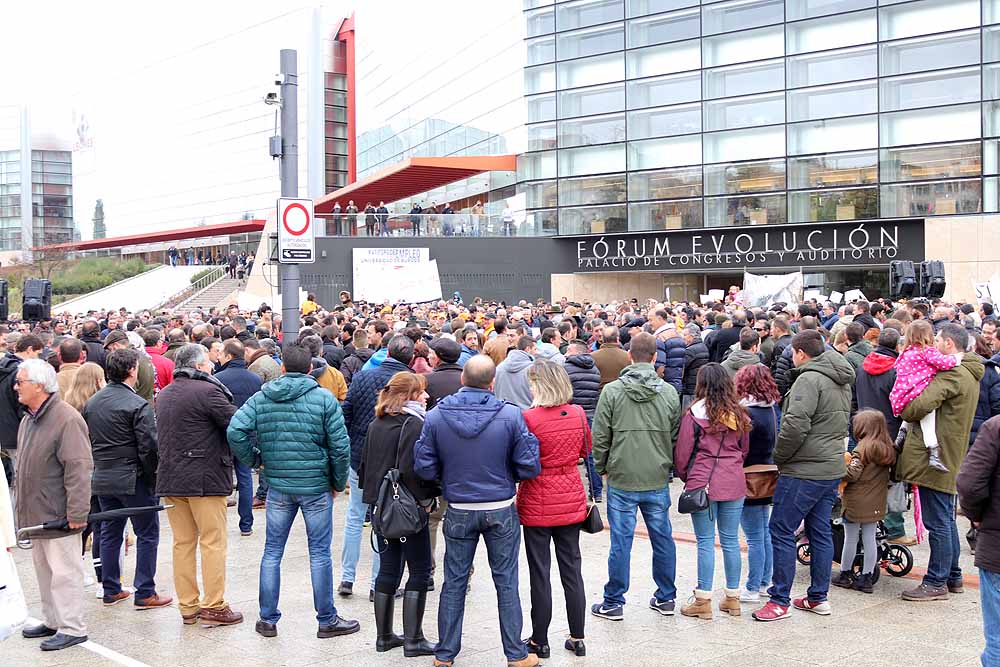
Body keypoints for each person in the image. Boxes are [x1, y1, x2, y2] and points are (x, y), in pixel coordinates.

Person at [414, 355, 541, 667]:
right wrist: (506, 473)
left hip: (458, 506)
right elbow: (529, 465)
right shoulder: (511, 415)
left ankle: (445, 655)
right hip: (500, 506)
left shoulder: (436, 416)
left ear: (462, 380)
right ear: (492, 382)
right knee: (506, 581)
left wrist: (448, 479)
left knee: (454, 581)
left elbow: (424, 467)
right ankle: (515, 654)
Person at [228, 343, 358, 640]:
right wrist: (338, 482)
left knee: (272, 551)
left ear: (282, 367)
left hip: (279, 485)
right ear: (311, 369)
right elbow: (340, 447)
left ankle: (267, 618)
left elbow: (235, 431)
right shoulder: (324, 400)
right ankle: (326, 619)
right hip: (315, 486)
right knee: (319, 553)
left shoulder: (263, 397)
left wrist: (257, 460)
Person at [753, 330, 854, 622]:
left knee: (782, 529)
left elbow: (795, 426)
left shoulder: (808, 379)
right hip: (831, 466)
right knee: (819, 530)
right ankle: (818, 597)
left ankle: (779, 600)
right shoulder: (840, 377)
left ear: (799, 353)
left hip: (804, 468)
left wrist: (780, 456)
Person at [591, 332, 680, 620]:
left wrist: (601, 466)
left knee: (621, 541)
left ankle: (614, 600)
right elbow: (676, 435)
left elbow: (600, 435)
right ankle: (666, 596)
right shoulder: (668, 392)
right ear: (655, 358)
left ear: (630, 356)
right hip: (656, 474)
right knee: (663, 537)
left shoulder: (613, 391)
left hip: (621, 475)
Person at [155, 344, 242, 627]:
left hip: (171, 477)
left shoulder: (166, 393)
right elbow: (236, 422)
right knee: (212, 542)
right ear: (199, 366)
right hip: (204, 477)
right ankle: (214, 604)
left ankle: (188, 606)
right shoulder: (207, 392)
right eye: (208, 362)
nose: (212, 366)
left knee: (183, 543)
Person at [897, 323, 983, 601]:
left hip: (936, 458)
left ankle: (936, 581)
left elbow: (914, 408)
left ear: (948, 344)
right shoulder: (969, 372)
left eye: (938, 340)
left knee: (939, 523)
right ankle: (954, 575)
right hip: (950, 453)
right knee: (945, 519)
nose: (933, 344)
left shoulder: (952, 374)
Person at [15, 359, 94, 651]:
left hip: (60, 514)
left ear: (38, 385)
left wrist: (77, 512)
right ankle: (52, 619)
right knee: (44, 572)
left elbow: (79, 468)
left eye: (20, 382)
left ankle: (72, 627)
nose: (16, 387)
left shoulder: (67, 418)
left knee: (65, 573)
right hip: (36, 513)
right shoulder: (28, 419)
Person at [82, 348, 170, 609]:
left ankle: (110, 588)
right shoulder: (137, 404)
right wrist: (154, 479)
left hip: (104, 475)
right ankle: (145, 591)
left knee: (110, 531)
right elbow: (148, 447)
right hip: (133, 477)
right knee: (147, 533)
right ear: (132, 370)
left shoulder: (93, 402)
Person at [359, 372, 439, 657]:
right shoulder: (415, 425)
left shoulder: (376, 423)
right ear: (407, 396)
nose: (426, 396)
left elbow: (364, 465)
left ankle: (384, 637)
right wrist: (429, 499)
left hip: (382, 507)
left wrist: (373, 501)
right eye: (421, 392)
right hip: (408, 507)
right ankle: (414, 639)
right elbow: (420, 470)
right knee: (418, 570)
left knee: (388, 569)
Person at [518, 360, 590, 659]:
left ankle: (539, 640)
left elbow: (523, 460)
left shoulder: (529, 418)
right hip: (570, 493)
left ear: (539, 385)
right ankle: (577, 636)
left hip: (537, 496)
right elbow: (586, 451)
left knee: (540, 572)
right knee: (572, 569)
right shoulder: (577, 413)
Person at [340, 335, 415, 599]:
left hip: (360, 456)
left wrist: (355, 442)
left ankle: (347, 578)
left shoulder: (362, 377)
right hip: (393, 461)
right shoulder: (410, 382)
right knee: (383, 520)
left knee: (354, 516)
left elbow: (345, 414)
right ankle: (378, 583)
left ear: (387, 352)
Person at [673, 363, 751, 619]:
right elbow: (744, 449)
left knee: (705, 542)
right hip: (734, 480)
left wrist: (688, 477)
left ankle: (703, 598)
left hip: (703, 481)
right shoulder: (739, 412)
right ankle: (732, 598)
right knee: (730, 541)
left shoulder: (694, 413)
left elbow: (683, 453)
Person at [854, 327, 915, 546]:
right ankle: (895, 529)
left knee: (867, 480)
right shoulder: (896, 371)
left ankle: (869, 525)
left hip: (864, 429)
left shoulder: (862, 367)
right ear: (897, 346)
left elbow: (854, 398)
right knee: (893, 481)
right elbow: (900, 406)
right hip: (890, 432)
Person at [832, 410, 896, 594]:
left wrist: (839, 465)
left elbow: (852, 474)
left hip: (856, 501)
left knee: (850, 538)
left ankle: (845, 574)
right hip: (876, 501)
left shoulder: (862, 449)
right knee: (869, 539)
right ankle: (866, 577)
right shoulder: (887, 448)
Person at [733, 363, 781, 603]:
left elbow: (740, 448)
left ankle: (752, 586)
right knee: (764, 533)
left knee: (754, 536)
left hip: (748, 476)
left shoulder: (745, 413)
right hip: (768, 473)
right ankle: (764, 582)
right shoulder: (773, 409)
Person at [957, 414, 1000, 667]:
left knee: (998, 638)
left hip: (997, 547)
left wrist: (976, 516)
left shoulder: (995, 427)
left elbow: (970, 483)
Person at [890, 319, 960, 473]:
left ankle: (901, 435)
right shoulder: (927, 351)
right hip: (917, 391)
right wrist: (958, 358)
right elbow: (944, 363)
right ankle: (933, 452)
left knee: (911, 411)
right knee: (928, 414)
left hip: (902, 394)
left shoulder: (905, 353)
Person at [214, 339, 263, 537]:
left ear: (229, 356)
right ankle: (246, 524)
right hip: (248, 435)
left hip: (223, 434)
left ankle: (218, 523)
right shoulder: (255, 379)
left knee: (220, 479)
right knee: (245, 479)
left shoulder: (217, 378)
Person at [0, 334, 43, 484]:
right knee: (20, 481)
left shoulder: (5, 367)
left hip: (5, 433)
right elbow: (23, 407)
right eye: (38, 353)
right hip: (17, 434)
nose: (39, 358)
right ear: (30, 350)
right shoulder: (20, 373)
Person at [564, 339, 603, 502]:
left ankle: (568, 491)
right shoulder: (594, 369)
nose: (566, 353)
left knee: (567, 455)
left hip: (571, 415)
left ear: (577, 352)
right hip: (590, 413)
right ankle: (597, 491)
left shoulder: (565, 369)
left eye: (569, 350)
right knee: (590, 455)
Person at [494, 335, 536, 408]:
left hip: (502, 413)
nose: (537, 352)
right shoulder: (533, 369)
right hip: (527, 414)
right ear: (528, 349)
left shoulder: (499, 368)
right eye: (535, 349)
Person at [425, 338, 463, 410]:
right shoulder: (469, 379)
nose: (428, 356)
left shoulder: (425, 380)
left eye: (430, 353)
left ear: (437, 357)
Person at [681, 324, 709, 411]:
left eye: (685, 335)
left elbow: (682, 369)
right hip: (698, 386)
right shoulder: (703, 346)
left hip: (689, 389)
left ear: (692, 336)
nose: (683, 337)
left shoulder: (690, 351)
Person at [591, 326, 630, 391]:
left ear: (603, 339)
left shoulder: (592, 357)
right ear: (617, 338)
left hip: (600, 395)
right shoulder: (627, 356)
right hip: (621, 395)